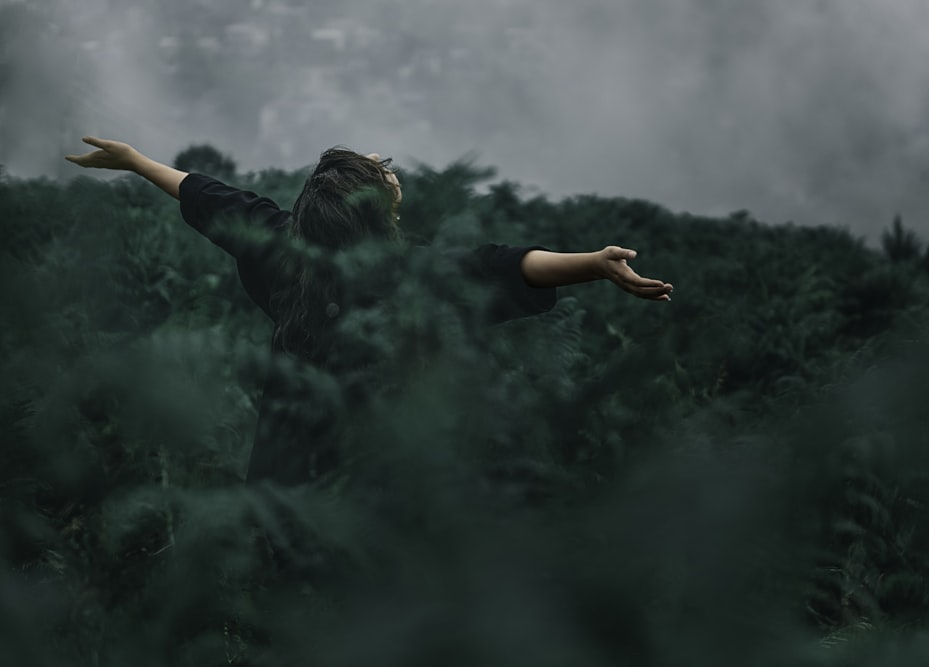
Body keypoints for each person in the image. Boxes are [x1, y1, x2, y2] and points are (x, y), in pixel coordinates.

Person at [65, 136, 674, 485]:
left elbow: (203, 194)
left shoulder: (277, 241)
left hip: (281, 476)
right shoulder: (402, 274)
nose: (393, 184)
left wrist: (134, 160)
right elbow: (500, 264)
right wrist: (593, 264)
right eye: (388, 188)